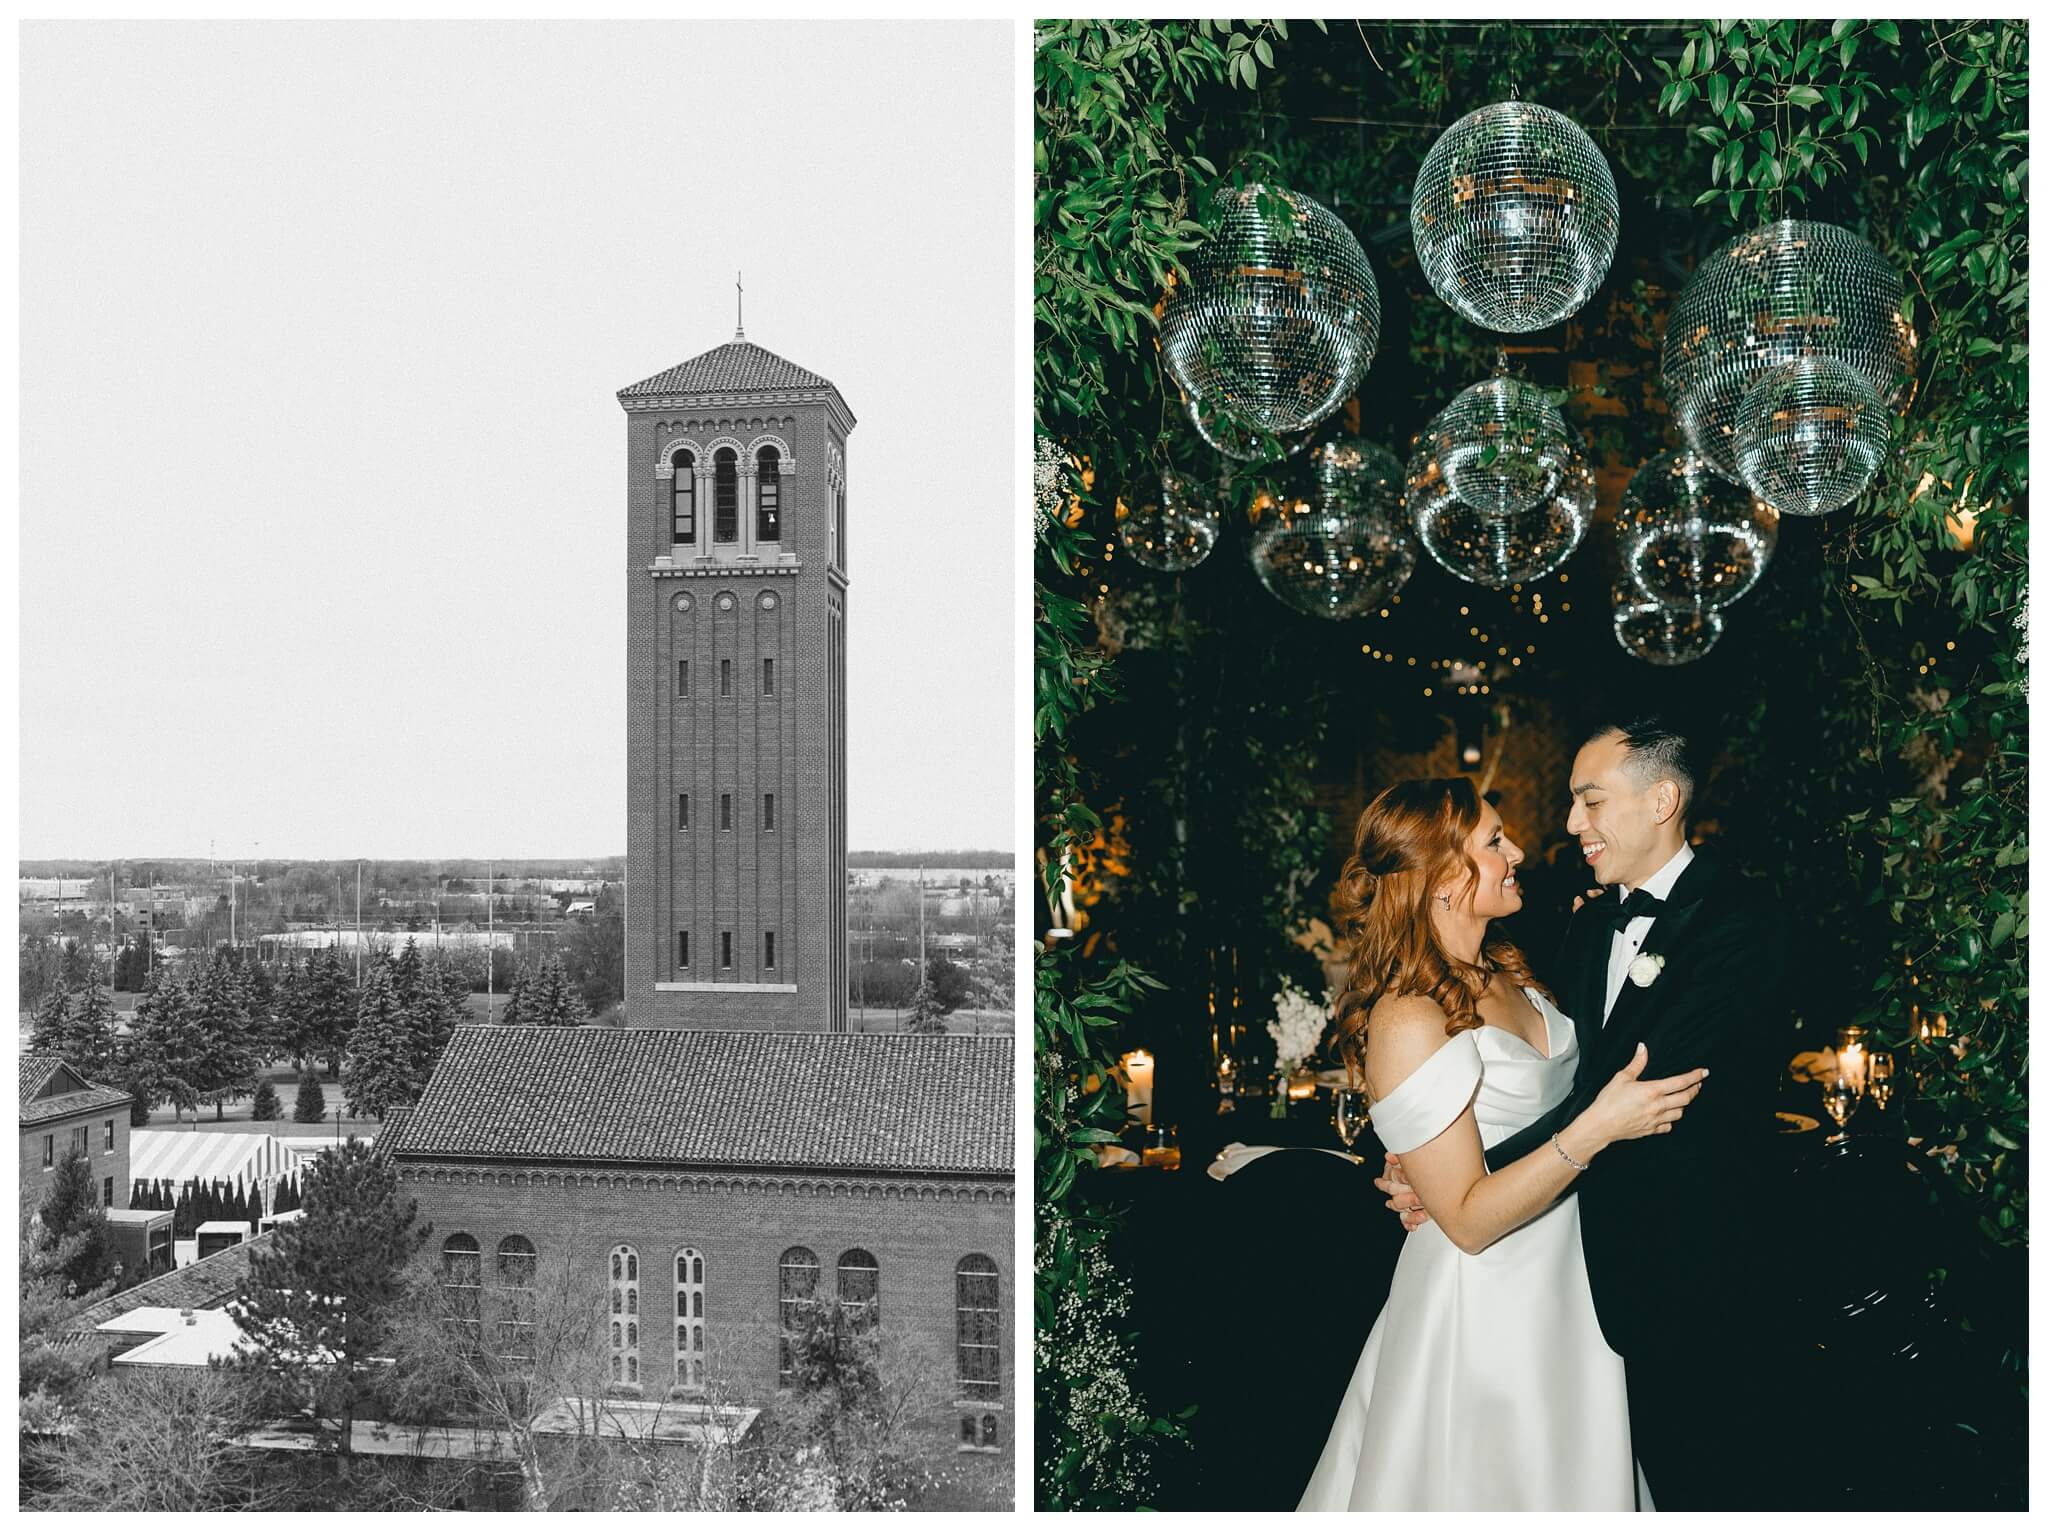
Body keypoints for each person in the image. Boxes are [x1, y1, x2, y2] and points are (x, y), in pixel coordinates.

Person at [1375, 716, 1787, 1512]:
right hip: (1567, 1275)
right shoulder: (1585, 922)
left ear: (1661, 799)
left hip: (1693, 1277)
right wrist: (1432, 1164)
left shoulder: (1745, 921)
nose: (1566, 826)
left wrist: (1460, 1180)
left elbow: (1632, 1089)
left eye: (1588, 800)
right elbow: (1531, 1086)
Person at [1297, 774, 1707, 1512]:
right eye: (1493, 841)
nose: (1516, 848)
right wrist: (1597, 1129)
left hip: (1569, 1285)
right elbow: (1468, 1218)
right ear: (1442, 877)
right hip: (1484, 1307)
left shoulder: (1507, 966)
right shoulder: (1407, 1015)